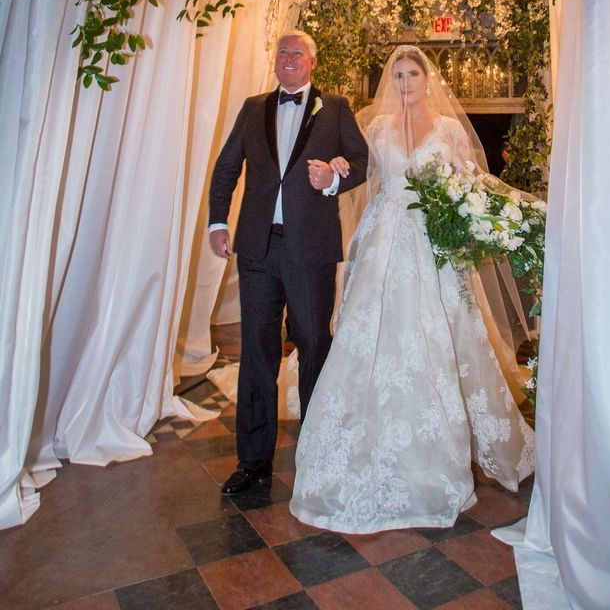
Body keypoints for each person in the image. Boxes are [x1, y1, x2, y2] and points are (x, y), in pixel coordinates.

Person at [289, 44, 535, 533]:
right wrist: (335, 170)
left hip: (431, 238)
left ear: (428, 80)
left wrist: (476, 216)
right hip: (383, 235)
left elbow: (469, 182)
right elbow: (357, 168)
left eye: (412, 75)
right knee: (374, 332)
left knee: (439, 332)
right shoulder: (375, 127)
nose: (404, 83)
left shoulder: (448, 130)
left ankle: (439, 443)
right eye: (398, 75)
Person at [208, 30, 368, 496]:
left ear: (313, 62)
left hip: (310, 250)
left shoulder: (334, 108)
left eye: (297, 53)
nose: (288, 58)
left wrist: (332, 179)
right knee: (257, 353)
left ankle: (317, 456)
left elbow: (361, 161)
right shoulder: (253, 107)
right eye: (282, 52)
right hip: (257, 249)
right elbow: (227, 167)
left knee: (315, 346)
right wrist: (218, 221)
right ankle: (253, 462)